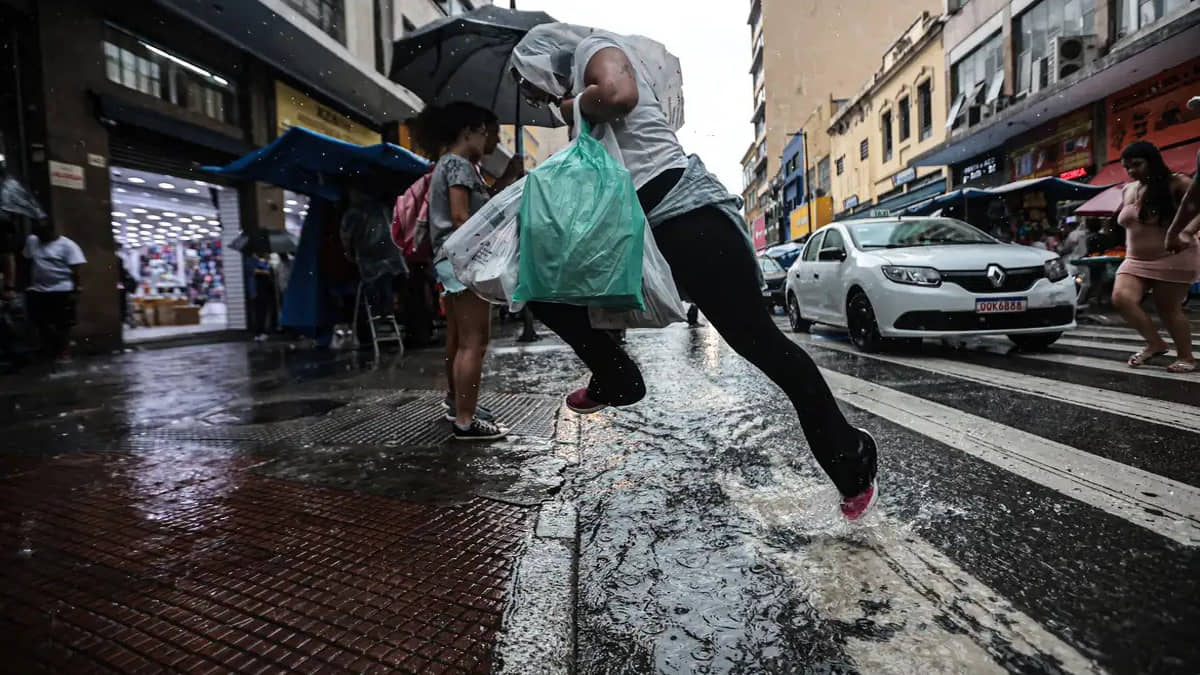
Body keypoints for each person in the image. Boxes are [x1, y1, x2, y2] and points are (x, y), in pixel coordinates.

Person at [510, 24, 877, 519]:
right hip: (645, 229)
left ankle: (850, 458)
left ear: (542, 63)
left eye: (531, 86)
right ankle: (616, 374)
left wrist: (573, 108)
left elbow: (619, 95)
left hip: (690, 220)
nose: (535, 98)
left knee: (761, 345)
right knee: (536, 277)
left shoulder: (594, 51)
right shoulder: (580, 85)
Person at [414, 101, 523, 440]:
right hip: (464, 262)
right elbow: (462, 217)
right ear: (469, 131)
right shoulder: (460, 165)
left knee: (460, 340)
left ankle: (458, 404)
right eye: (485, 132)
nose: (489, 139)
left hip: (450, 261)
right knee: (474, 341)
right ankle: (466, 420)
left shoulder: (449, 164)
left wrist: (505, 179)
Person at [1112, 141, 1198, 373]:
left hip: (1173, 255)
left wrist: (1188, 232)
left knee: (1167, 309)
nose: (1131, 171)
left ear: (1153, 161)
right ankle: (1155, 343)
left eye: (1137, 165)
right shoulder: (1128, 189)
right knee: (1121, 298)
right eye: (1127, 167)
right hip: (1135, 260)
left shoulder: (1177, 183)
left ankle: (1186, 357)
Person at [340, 188, 408, 347]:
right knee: (385, 286)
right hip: (391, 257)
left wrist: (350, 253)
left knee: (375, 289)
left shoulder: (354, 213)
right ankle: (386, 316)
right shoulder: (382, 209)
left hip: (370, 257)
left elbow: (347, 236)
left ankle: (380, 318)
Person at [24, 218, 85, 362]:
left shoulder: (68, 246)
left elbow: (76, 270)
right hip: (38, 289)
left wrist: (76, 290)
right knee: (39, 321)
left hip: (62, 289)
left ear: (52, 231)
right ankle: (52, 347)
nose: (41, 238)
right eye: (38, 235)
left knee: (63, 323)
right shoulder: (32, 240)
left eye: (43, 234)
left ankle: (63, 351)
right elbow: (27, 259)